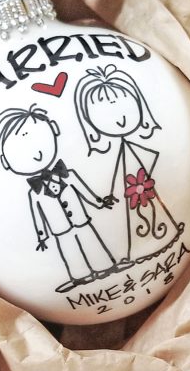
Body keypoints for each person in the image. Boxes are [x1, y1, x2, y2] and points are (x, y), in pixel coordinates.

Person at [0, 104, 117, 293]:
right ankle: (79, 276)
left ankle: (104, 266)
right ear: (5, 161)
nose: (36, 153)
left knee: (90, 240)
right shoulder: (34, 193)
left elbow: (84, 192)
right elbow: (38, 215)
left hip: (81, 219)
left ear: (54, 129)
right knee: (69, 249)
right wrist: (42, 236)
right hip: (59, 229)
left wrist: (99, 203)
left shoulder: (68, 175)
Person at [74, 65, 183, 265]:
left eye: (123, 104)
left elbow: (145, 159)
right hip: (134, 189)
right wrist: (111, 193)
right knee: (138, 213)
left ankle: (164, 233)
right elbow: (120, 172)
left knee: (151, 206)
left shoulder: (132, 149)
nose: (120, 118)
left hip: (141, 186)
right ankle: (146, 243)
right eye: (105, 111)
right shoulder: (123, 152)